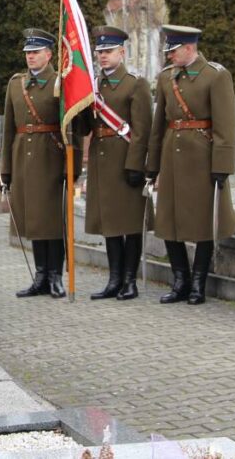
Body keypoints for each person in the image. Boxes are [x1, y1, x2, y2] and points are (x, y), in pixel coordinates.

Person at [146, 25, 235, 305]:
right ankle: (180, 280)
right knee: (169, 220)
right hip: (171, 157)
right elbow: (158, 124)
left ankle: (199, 282)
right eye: (168, 51)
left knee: (203, 220)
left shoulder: (216, 75)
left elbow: (225, 124)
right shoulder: (166, 78)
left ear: (190, 48)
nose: (170, 56)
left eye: (173, 51)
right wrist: (152, 165)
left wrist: (221, 165)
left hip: (202, 156)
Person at [0, 28, 81, 298]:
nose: (30, 57)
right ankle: (40, 276)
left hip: (51, 159)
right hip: (23, 157)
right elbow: (9, 130)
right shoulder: (15, 84)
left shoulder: (61, 82)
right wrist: (6, 169)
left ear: (49, 54)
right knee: (34, 220)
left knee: (52, 222)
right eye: (27, 53)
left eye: (35, 52)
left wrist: (73, 168)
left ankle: (56, 276)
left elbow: (72, 129)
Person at [74, 26, 151, 300]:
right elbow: (86, 128)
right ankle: (114, 279)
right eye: (99, 52)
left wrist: (136, 165)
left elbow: (142, 129)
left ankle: (130, 281)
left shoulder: (135, 83)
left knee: (129, 224)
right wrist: (75, 108)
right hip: (101, 160)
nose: (103, 57)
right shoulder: (94, 85)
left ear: (122, 52)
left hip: (125, 160)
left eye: (108, 51)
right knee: (110, 225)